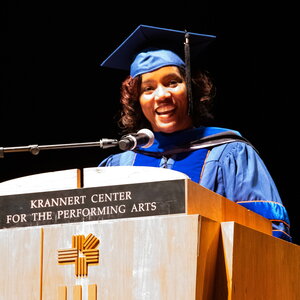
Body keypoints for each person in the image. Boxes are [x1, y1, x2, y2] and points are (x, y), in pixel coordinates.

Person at [99, 25, 291, 242]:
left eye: (173, 82)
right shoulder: (118, 165)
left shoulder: (231, 154)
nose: (161, 95)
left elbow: (269, 234)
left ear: (191, 88)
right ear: (138, 101)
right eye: (148, 88)